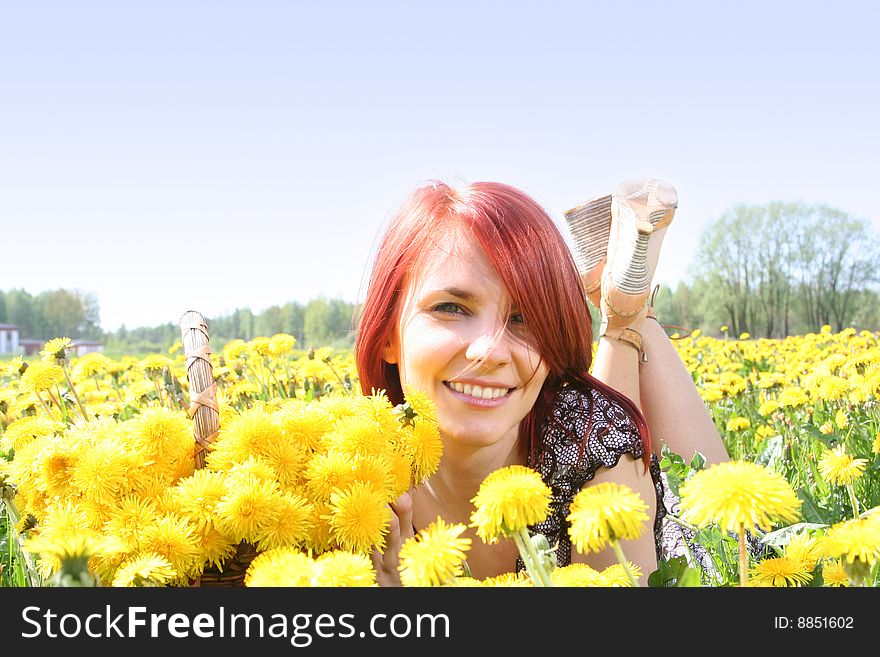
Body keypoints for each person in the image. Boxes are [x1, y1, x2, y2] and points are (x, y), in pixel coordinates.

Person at [355, 178, 729, 586]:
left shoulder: (595, 448)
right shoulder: (350, 476)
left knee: (720, 534)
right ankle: (620, 301)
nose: (491, 351)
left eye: (524, 317)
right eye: (451, 308)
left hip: (624, 491)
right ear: (388, 333)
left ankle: (627, 313)